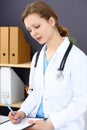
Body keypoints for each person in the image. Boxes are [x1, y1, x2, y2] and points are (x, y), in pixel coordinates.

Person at [8, 1, 87, 130]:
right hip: (34, 123)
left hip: (63, 126)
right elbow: (34, 93)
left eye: (37, 26)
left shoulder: (77, 58)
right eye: (29, 30)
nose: (33, 33)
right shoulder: (37, 57)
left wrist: (51, 124)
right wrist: (22, 112)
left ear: (51, 21)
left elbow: (81, 102)